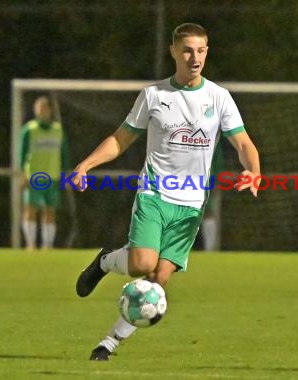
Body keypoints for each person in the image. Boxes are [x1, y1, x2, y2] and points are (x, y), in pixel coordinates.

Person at [73, 23, 261, 361]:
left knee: (157, 281)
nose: (195, 57)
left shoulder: (218, 98)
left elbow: (243, 142)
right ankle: (104, 262)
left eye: (201, 50)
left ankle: (108, 344)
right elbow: (121, 138)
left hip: (191, 206)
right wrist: (86, 165)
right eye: (187, 50)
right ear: (174, 51)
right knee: (141, 264)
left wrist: (254, 171)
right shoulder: (154, 95)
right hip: (155, 194)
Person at [19, 96, 70, 250]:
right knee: (31, 209)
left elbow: (64, 154)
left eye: (45, 108)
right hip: (33, 177)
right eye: (39, 108)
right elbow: (21, 154)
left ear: (50, 110)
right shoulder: (29, 129)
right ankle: (31, 243)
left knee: (50, 210)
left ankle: (48, 245)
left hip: (53, 176)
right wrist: (23, 174)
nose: (42, 111)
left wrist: (65, 174)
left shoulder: (58, 130)